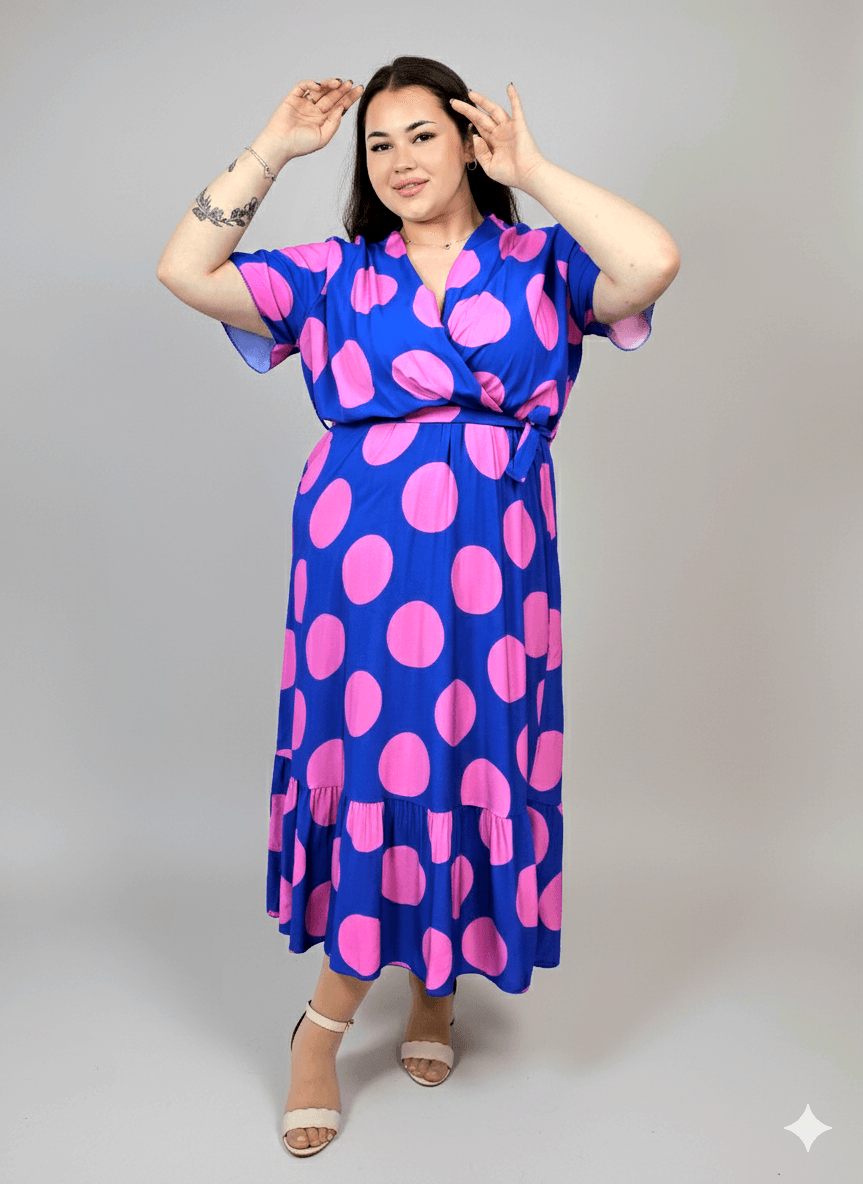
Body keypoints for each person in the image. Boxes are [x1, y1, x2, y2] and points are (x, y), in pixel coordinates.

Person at [157, 54, 680, 1158]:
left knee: (466, 759)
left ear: (468, 142)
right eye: (378, 143)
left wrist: (533, 172)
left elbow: (650, 262)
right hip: (363, 565)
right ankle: (321, 1026)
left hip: (495, 564)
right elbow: (184, 268)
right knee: (382, 763)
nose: (398, 160)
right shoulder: (335, 277)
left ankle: (434, 983)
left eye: (422, 135)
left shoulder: (541, 264)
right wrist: (273, 148)